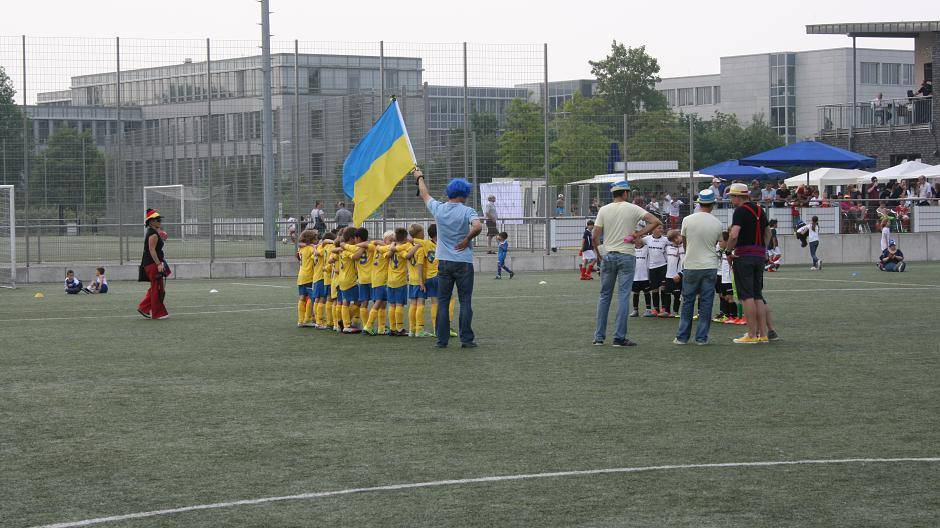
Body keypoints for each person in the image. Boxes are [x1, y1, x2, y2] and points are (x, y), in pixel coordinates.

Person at [414, 169, 483, 349]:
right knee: (465, 300)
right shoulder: (468, 210)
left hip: (443, 261)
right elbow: (478, 226)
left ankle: (441, 340)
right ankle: (466, 339)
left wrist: (419, 177)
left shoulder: (439, 208)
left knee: (442, 301)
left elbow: (424, 193)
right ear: (465, 194)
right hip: (464, 262)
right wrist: (467, 239)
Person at [591, 180, 662, 347]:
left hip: (608, 255)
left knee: (604, 296)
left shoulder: (604, 209)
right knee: (623, 296)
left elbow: (595, 236)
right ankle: (619, 337)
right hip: (626, 255)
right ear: (625, 193)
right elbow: (656, 221)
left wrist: (599, 255)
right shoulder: (633, 208)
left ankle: (599, 337)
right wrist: (637, 234)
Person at [725, 183, 777, 344]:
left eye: (732, 196)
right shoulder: (760, 209)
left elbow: (734, 234)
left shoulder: (740, 211)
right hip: (759, 256)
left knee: (746, 296)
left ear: (738, 197)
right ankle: (763, 334)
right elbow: (767, 233)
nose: (731, 199)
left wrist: (728, 251)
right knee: (757, 295)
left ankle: (751, 335)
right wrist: (763, 250)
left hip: (744, 256)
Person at [673, 189, 723, 345]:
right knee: (706, 302)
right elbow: (718, 242)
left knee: (687, 301)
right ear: (712, 204)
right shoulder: (717, 222)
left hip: (691, 265)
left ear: (699, 203)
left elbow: (685, 242)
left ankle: (682, 337)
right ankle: (701, 338)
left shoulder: (687, 220)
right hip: (709, 265)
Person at [137, 209, 170, 320]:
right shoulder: (153, 234)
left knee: (156, 287)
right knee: (158, 289)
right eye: (157, 220)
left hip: (151, 263)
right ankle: (158, 313)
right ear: (151, 222)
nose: (160, 221)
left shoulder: (154, 232)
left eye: (160, 219)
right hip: (152, 264)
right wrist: (158, 264)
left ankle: (144, 308)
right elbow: (152, 250)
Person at [643, 224, 668, 317]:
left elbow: (675, 243)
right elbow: (637, 241)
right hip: (652, 268)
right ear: (652, 230)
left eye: (662, 228)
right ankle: (656, 309)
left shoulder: (665, 240)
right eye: (659, 228)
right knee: (654, 289)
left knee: (663, 288)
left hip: (663, 266)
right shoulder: (647, 239)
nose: (661, 229)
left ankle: (664, 308)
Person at [295, 229, 319, 327]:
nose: (317, 240)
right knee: (310, 297)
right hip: (309, 276)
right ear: (310, 239)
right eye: (315, 239)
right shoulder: (310, 249)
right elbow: (316, 257)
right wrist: (315, 248)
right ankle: (308, 319)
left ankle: (301, 320)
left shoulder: (301, 249)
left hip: (301, 276)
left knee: (302, 297)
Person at [663, 229, 684, 319]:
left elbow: (683, 262)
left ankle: (675, 311)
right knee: (667, 293)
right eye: (672, 239)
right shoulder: (668, 247)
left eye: (676, 238)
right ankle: (667, 311)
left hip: (678, 275)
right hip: (669, 275)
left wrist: (680, 273)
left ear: (680, 235)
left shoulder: (685, 246)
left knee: (677, 294)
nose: (675, 240)